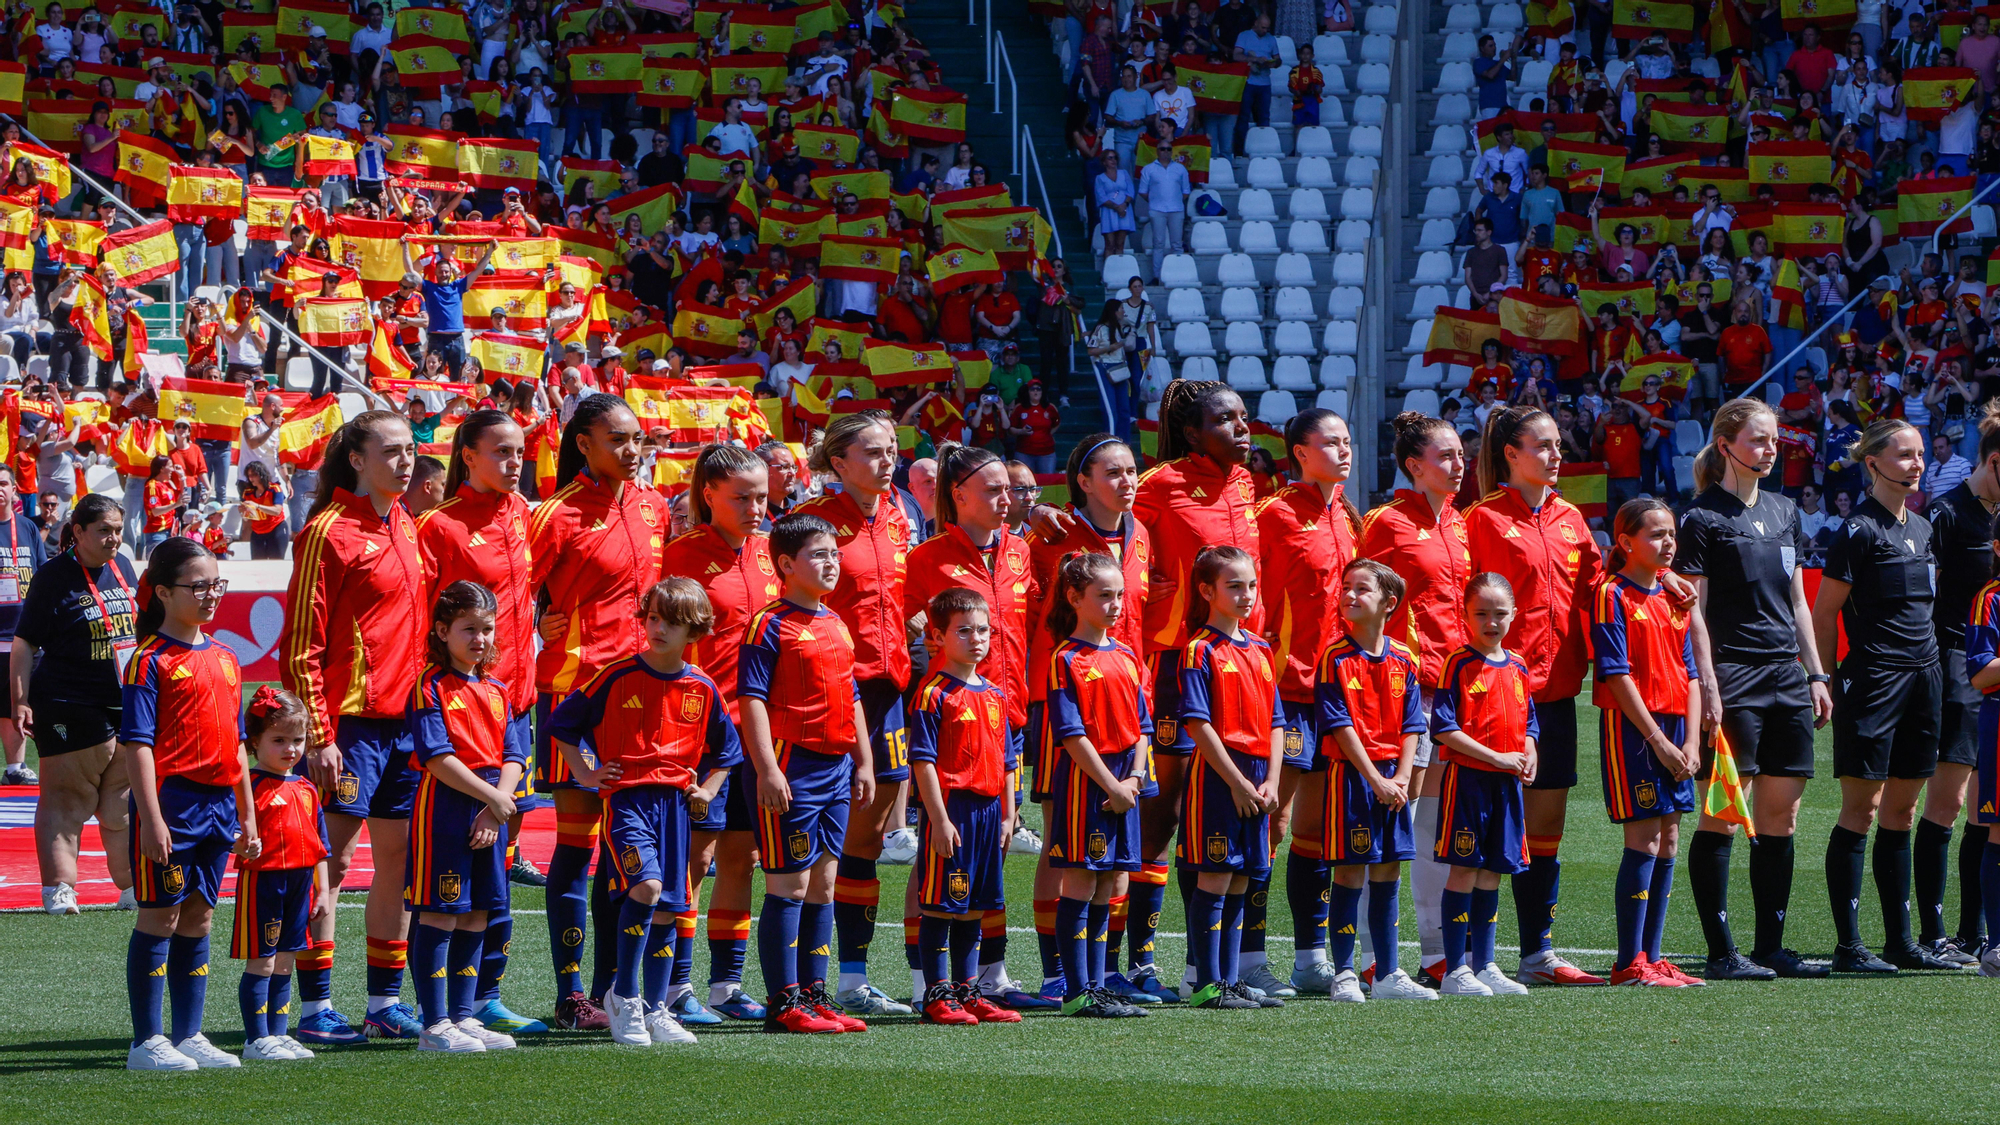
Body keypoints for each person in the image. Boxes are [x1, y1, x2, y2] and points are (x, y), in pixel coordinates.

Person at [280, 411, 425, 1044]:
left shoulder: (408, 525)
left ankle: (383, 1002)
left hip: (407, 727)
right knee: (329, 865)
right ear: (356, 459)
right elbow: (299, 644)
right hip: (348, 727)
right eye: (389, 451)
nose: (404, 461)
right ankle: (313, 1009)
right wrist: (319, 733)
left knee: (397, 860)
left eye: (410, 449)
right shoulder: (328, 532)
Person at [1677, 399, 1834, 980]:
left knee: (1781, 819)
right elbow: (1695, 612)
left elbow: (1797, 602)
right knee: (1722, 813)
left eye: (1774, 443)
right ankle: (1721, 953)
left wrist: (1815, 673)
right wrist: (1709, 684)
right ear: (1726, 446)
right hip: (1734, 677)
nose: (1770, 451)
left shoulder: (1786, 511)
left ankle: (1771, 947)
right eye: (1758, 441)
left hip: (1786, 677)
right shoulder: (1701, 518)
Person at [528, 394, 668, 1032]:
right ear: (583, 443)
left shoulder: (653, 505)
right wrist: (537, 618)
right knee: (576, 844)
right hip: (575, 695)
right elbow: (507, 590)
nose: (632, 451)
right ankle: (571, 993)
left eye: (638, 439)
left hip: (644, 698)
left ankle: (620, 988)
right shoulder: (554, 515)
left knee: (630, 849)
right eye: (618, 439)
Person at [550, 577, 740, 1047]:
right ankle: (624, 996)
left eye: (671, 623)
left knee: (670, 910)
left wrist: (708, 790)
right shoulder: (616, 675)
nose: (658, 628)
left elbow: (727, 752)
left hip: (675, 806)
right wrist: (587, 773)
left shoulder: (702, 687)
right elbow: (562, 725)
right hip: (629, 803)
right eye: (653, 617)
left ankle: (656, 1010)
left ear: (693, 632)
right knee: (647, 886)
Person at [1460, 406, 1608, 987]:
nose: (1555, 455)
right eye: (1543, 446)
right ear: (1510, 455)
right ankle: (1472, 954)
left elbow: (1599, 592)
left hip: (1558, 692)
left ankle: (1537, 953)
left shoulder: (1572, 519)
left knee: (1547, 823)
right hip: (1497, 692)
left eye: (1558, 446)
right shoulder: (1481, 520)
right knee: (1493, 822)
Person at [413, 410, 548, 1034]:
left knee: (496, 869)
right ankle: (423, 1005)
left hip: (511, 711)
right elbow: (425, 622)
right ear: (467, 455)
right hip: (457, 716)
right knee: (452, 873)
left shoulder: (522, 513)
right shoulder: (436, 527)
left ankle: (481, 996)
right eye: (502, 451)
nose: (515, 462)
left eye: (521, 451)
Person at [1812, 418, 1961, 972]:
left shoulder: (1923, 528)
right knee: (1864, 809)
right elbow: (1825, 616)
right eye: (1904, 455)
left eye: (1920, 455)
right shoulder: (1856, 531)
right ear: (1872, 463)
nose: (1916, 464)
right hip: (1873, 682)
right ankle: (1850, 946)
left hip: (1926, 680)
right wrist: (1822, 681)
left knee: (1902, 811)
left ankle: (1903, 943)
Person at [902, 444, 1047, 1008]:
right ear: (957, 494)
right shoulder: (927, 557)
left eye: (1009, 489)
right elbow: (915, 629)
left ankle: (987, 977)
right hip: (952, 719)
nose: (1005, 498)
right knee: (937, 857)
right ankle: (925, 980)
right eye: (992, 489)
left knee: (992, 851)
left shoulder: (1020, 553)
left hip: (1004, 716)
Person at [795, 414, 919, 1017]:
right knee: (822, 838)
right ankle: (799, 978)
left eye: (891, 450)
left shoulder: (900, 516)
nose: (886, 460)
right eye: (872, 452)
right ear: (838, 462)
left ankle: (851, 977)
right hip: (832, 689)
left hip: (890, 688)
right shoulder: (815, 524)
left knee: (867, 834)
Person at [120, 537, 258, 1071]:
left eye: (215, 584)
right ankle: (146, 1042)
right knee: (161, 915)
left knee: (199, 918)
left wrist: (246, 815)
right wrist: (152, 818)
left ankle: (189, 1034)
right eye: (197, 586)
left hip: (220, 807)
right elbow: (138, 744)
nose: (210, 595)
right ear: (161, 592)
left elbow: (238, 747)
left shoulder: (225, 658)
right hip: (172, 805)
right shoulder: (147, 661)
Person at [738, 512, 874, 1034]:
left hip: (837, 767)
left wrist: (863, 760)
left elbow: (854, 695)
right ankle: (783, 1001)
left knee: (824, 883)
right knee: (789, 886)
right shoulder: (769, 624)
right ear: (786, 565)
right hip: (792, 766)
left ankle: (815, 994)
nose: (831, 563)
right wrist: (768, 768)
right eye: (819, 555)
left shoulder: (835, 621)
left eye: (835, 554)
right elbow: (750, 699)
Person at [660, 445, 776, 1025]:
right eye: (742, 498)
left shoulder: (769, 554)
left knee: (742, 856)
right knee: (695, 860)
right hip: (700, 731)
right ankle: (675, 985)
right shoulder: (680, 557)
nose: (757, 508)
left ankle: (725, 987)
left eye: (761, 496)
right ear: (708, 495)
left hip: (758, 733)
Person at [1358, 414, 1471, 984]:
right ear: (1414, 466)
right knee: (1391, 825)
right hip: (1402, 693)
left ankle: (1432, 954)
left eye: (1461, 454)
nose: (1459, 463)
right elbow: (1356, 602)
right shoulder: (1386, 523)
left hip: (1450, 694)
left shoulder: (1458, 522)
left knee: (1432, 826)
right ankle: (1371, 956)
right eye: (1447, 456)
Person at [1252, 408, 1357, 999]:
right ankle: (1247, 956)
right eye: (1331, 442)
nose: (1344, 450)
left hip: (1336, 694)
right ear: (1299, 451)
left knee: (1317, 829)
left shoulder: (1346, 514)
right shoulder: (1275, 515)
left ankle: (1310, 957)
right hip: (1287, 691)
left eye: (1347, 441)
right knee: (1276, 822)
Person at [403, 581, 525, 1054]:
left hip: (491, 808)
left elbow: (515, 754)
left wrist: (499, 803)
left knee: (478, 914)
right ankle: (434, 1025)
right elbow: (437, 758)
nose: (480, 638)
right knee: (441, 912)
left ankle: (463, 1016)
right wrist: (492, 800)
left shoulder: (498, 689)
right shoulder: (430, 685)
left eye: (488, 629)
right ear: (442, 631)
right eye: (468, 628)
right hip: (447, 810)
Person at [1589, 499, 1705, 988]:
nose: (1667, 543)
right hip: (1635, 731)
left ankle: (1653, 959)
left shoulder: (1674, 596)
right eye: (1655, 534)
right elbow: (1616, 675)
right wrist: (1657, 740)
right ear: (1626, 542)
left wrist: (1693, 741)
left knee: (1671, 838)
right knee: (1645, 839)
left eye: (1671, 534)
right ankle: (1628, 963)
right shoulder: (1611, 594)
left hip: (1679, 728)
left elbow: (1692, 672)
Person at [1313, 558, 1434, 1002]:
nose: (1349, 595)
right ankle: (1344, 971)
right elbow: (1340, 726)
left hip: (1392, 780)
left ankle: (1387, 973)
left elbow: (1411, 725)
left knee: (1387, 872)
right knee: (1348, 871)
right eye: (1345, 586)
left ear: (1389, 603)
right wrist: (1376, 779)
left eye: (1361, 589)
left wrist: (1400, 777)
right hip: (1352, 778)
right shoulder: (1334, 657)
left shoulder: (1404, 658)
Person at [1041, 553, 1152, 1019]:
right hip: (1089, 785)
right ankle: (1077, 992)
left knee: (1109, 883)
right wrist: (1111, 782)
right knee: (1083, 880)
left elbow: (1143, 725)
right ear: (1075, 598)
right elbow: (1071, 735)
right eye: (1103, 596)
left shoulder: (1126, 654)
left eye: (1119, 596)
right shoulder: (1064, 659)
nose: (1114, 606)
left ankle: (1099, 983)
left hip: (1125, 784)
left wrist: (1135, 778)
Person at [15, 493, 136, 916]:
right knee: (66, 799)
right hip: (67, 698)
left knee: (121, 801)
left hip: (124, 700)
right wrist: (21, 699)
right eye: (104, 530)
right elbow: (24, 642)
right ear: (78, 532)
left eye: (118, 530)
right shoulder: (52, 576)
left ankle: (129, 887)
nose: (113, 539)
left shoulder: (123, 567)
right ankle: (60, 889)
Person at [909, 587, 1025, 1027]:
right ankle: (937, 994)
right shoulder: (933, 693)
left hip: (990, 811)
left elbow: (1009, 760)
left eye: (983, 630)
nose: (977, 639)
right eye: (964, 631)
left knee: (977, 903)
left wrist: (1010, 813)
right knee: (943, 903)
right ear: (937, 637)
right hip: (953, 809)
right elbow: (922, 761)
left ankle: (967, 989)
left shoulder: (995, 694)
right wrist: (937, 819)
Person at [1176, 545, 1284, 1010]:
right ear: (1207, 591)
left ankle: (1230, 978)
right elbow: (1198, 724)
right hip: (1221, 779)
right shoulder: (1199, 649)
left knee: (1242, 877)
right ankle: (1206, 983)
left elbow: (1277, 721)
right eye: (1234, 586)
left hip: (1260, 778)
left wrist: (1273, 781)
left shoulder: (1260, 648)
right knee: (1216, 878)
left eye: (1252, 586)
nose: (1245, 595)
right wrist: (1238, 782)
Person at [1917, 408, 2000, 963]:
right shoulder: (1948, 514)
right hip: (1956, 665)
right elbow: (1927, 597)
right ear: (1994, 461)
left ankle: (1976, 932)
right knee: (1945, 802)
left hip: (1987, 677)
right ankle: (1932, 932)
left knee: (1984, 811)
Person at [1429, 572, 1536, 997]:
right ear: (1466, 616)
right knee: (1464, 870)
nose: (1492, 622)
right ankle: (1455, 969)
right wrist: (1495, 758)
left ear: (1514, 615)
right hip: (1469, 782)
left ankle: (1485, 964)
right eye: (1482, 614)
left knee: (1493, 872)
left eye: (1500, 614)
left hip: (1507, 784)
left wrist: (1529, 753)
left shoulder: (1518, 665)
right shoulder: (1458, 663)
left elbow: (1530, 722)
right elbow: (1443, 727)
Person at [230, 686, 327, 1063]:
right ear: (254, 742)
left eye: (298, 740)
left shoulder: (306, 788)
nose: (291, 748)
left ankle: (279, 1034)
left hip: (301, 885)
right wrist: (242, 845)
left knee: (286, 959)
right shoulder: (249, 787)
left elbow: (321, 845)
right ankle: (256, 1039)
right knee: (264, 960)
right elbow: (226, 831)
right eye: (279, 740)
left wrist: (321, 890)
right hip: (265, 882)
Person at [0, 464, 47, 787]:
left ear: (15, 490)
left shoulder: (28, 528)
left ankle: (15, 767)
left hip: (22, 636)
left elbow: (44, 575)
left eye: (4, 483)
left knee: (16, 704)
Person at [1137, 138, 1188, 285]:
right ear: (1157, 151)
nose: (1166, 151)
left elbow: (1185, 192)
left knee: (1177, 244)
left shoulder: (1180, 169)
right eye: (1162, 149)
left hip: (1176, 210)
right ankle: (1157, 277)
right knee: (1158, 244)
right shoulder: (1148, 169)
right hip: (1157, 210)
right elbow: (1143, 191)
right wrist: (1155, 201)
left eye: (1168, 149)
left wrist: (1174, 201)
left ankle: (1178, 275)